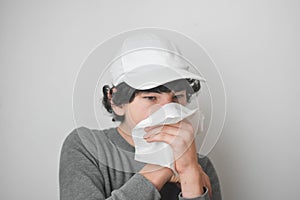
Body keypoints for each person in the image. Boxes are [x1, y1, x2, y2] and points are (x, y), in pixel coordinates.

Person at [59, 33, 222, 200]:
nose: (168, 111)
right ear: (116, 102)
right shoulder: (88, 148)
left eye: (177, 97)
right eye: (151, 98)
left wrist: (189, 173)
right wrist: (161, 170)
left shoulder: (199, 164)